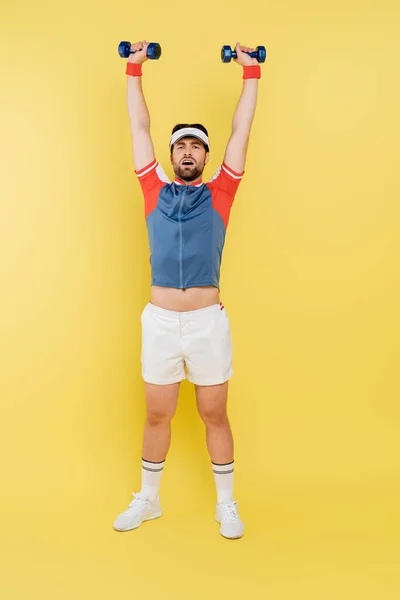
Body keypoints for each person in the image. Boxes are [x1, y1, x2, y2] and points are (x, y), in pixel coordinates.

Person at [113, 40, 261, 539]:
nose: (188, 150)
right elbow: (139, 127)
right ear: (172, 155)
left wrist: (251, 74)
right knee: (158, 413)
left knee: (213, 411)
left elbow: (242, 130)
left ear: (206, 155)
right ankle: (148, 501)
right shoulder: (154, 188)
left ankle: (226, 505)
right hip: (159, 323)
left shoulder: (221, 193)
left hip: (205, 323)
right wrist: (134, 68)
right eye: (181, 145)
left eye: (197, 144)